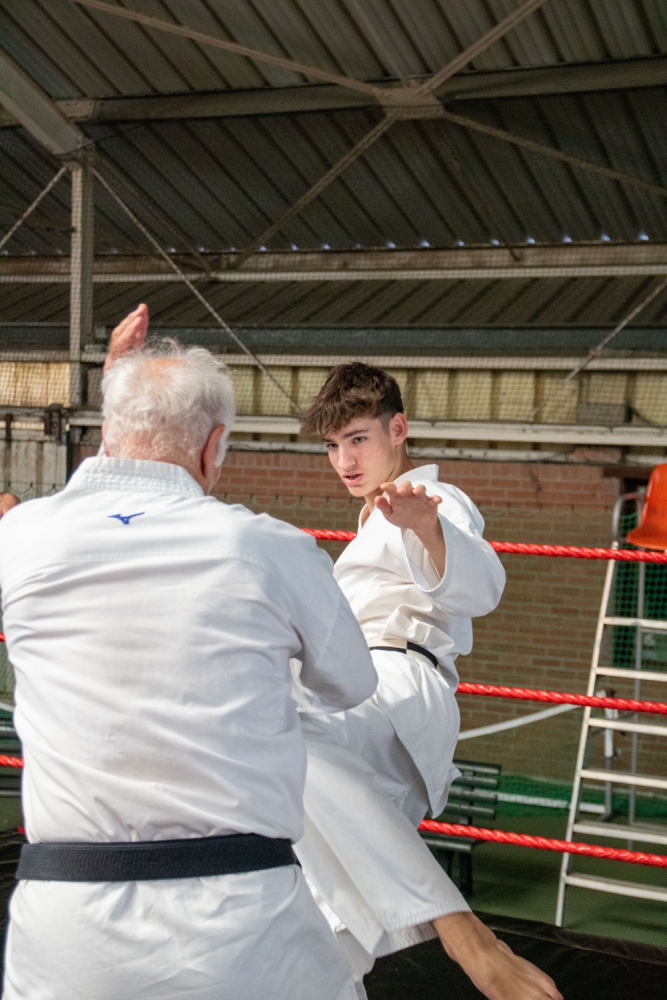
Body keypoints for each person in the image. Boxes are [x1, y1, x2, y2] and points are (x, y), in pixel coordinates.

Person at [0, 338, 377, 1000]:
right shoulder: (272, 548)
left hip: (65, 924)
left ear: (108, 434)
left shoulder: (21, 537)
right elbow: (353, 684)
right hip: (241, 923)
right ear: (213, 447)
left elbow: (82, 529)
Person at [295, 362, 562, 1000]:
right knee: (316, 930)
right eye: (332, 446)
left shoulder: (431, 498)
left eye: (358, 439)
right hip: (361, 693)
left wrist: (429, 527)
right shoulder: (371, 520)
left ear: (398, 430)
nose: (344, 461)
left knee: (274, 727)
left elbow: (483, 587)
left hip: (398, 686)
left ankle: (463, 931)